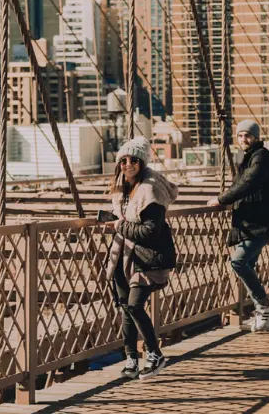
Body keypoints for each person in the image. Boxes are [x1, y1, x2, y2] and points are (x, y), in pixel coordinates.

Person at [105, 136, 178, 380]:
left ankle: (155, 355)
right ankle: (131, 358)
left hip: (148, 258)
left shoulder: (150, 190)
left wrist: (117, 225)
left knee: (135, 305)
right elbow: (127, 219)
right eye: (123, 160)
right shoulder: (123, 189)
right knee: (126, 309)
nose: (128, 165)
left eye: (133, 160)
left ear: (142, 162)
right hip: (124, 257)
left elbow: (149, 230)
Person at [207, 120, 269, 332]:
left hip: (261, 223)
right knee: (249, 265)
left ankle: (265, 304)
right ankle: (265, 318)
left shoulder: (261, 157)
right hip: (253, 222)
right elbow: (244, 184)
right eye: (240, 136)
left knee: (238, 262)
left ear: (256, 137)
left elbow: (249, 183)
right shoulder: (251, 158)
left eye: (247, 135)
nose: (243, 139)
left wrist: (222, 199)